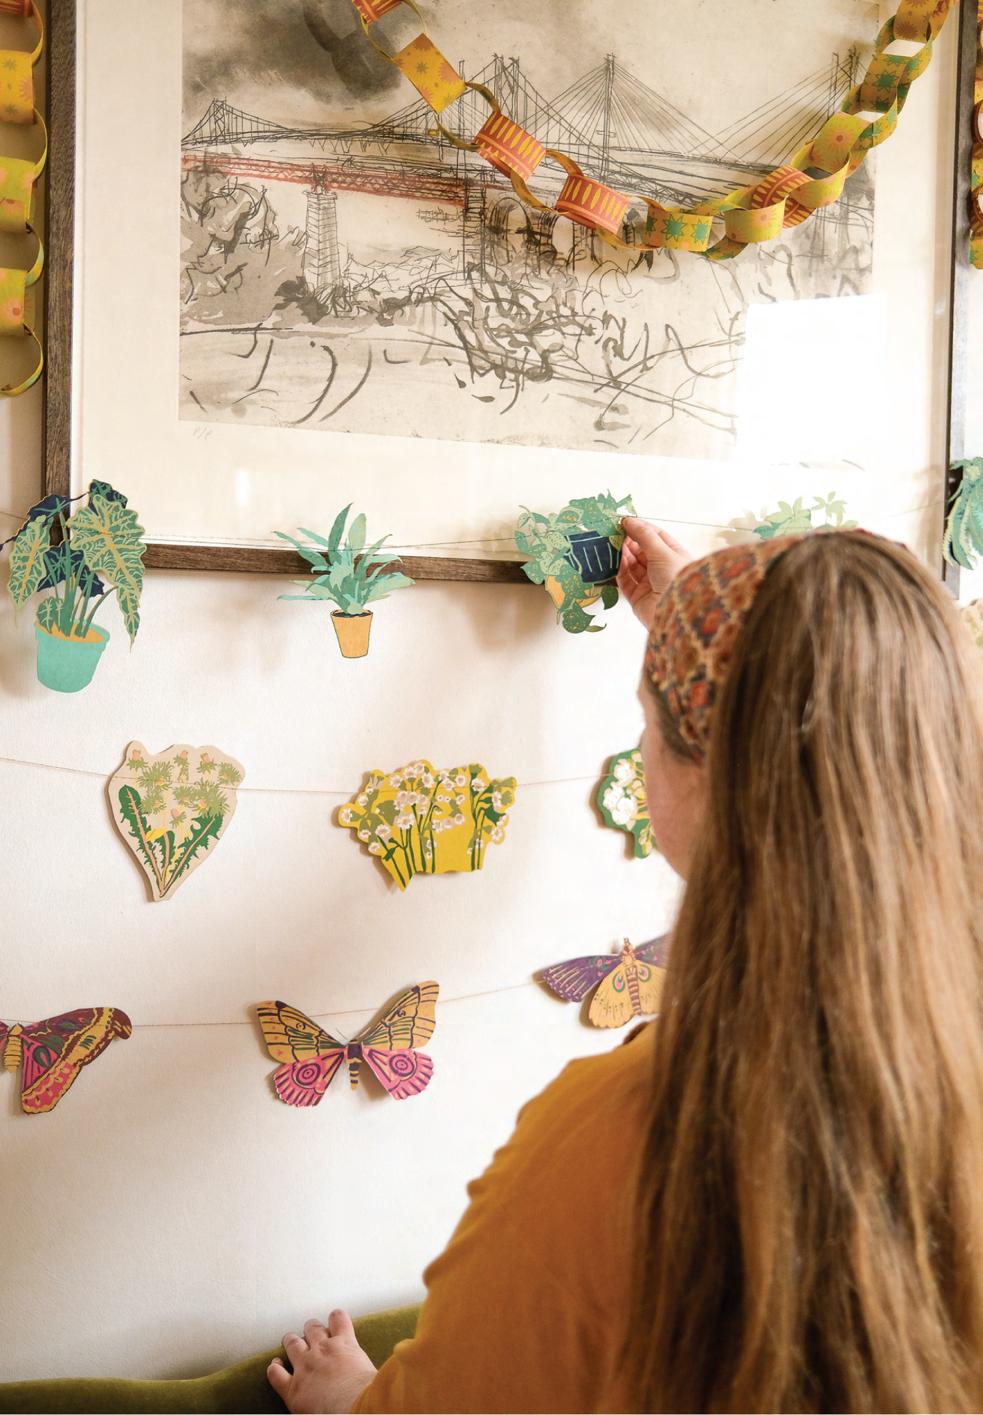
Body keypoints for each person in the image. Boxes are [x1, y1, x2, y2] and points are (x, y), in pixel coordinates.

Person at [267, 521, 983, 1414]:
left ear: (709, 776)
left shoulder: (628, 1138)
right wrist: (696, 618)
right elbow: (860, 705)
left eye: (648, 722)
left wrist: (347, 1397)